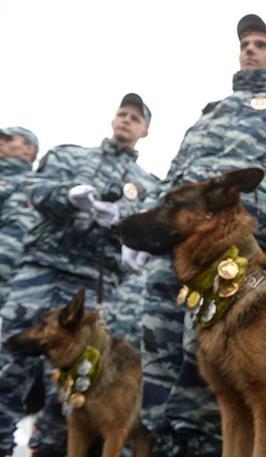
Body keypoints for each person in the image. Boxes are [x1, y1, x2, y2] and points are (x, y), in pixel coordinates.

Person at [132, 14, 266, 456]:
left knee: (219, 363)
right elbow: (176, 179)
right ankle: (166, 442)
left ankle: (204, 445)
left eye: (261, 44)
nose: (251, 50)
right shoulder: (211, 111)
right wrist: (147, 235)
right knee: (159, 355)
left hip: (237, 251)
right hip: (177, 252)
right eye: (246, 45)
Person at [0, 94, 157, 457]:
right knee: (10, 363)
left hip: (91, 287)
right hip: (42, 271)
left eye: (135, 117)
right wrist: (68, 195)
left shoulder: (148, 185)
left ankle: (49, 450)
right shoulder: (70, 156)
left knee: (76, 383)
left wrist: (119, 225)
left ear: (145, 130)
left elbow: (147, 239)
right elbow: (36, 191)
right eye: (122, 114)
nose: (126, 120)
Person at [0, 127, 40, 457]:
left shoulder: (40, 188)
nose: (0, 144)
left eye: (8, 140)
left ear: (30, 150)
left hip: (23, 296)